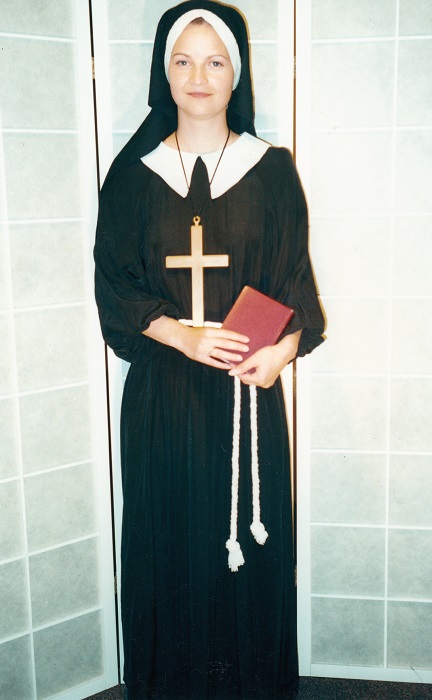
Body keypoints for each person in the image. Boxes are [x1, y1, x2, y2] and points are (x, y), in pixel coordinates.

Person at [94, 1, 325, 698]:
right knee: (170, 541)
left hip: (246, 387)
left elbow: (294, 280)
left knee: (249, 550)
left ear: (237, 73)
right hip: (164, 394)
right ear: (163, 73)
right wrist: (182, 335)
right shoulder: (133, 174)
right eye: (183, 61)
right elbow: (116, 282)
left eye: (215, 61)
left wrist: (282, 353)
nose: (199, 77)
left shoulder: (271, 170)